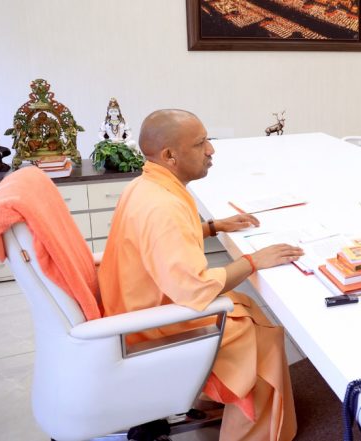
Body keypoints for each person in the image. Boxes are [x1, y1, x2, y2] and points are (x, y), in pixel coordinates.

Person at [98, 109, 304, 441]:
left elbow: (162, 244)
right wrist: (254, 260)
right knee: (263, 337)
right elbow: (196, 288)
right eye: (200, 143)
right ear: (170, 155)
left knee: (246, 309)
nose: (211, 150)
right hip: (153, 325)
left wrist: (212, 226)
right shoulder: (162, 206)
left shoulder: (145, 185)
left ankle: (215, 396)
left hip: (136, 306)